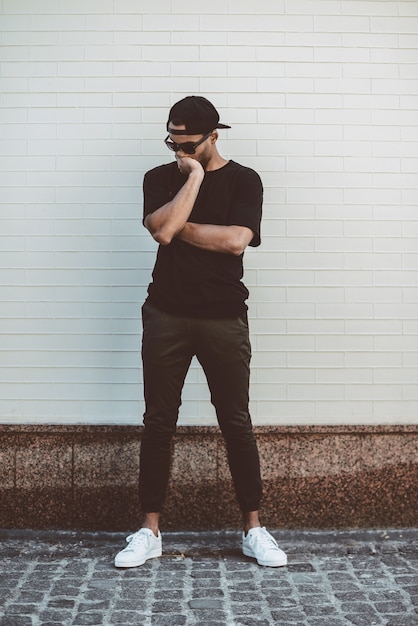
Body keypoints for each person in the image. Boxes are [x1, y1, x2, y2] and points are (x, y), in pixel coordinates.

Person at [114, 96, 287, 569]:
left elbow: (235, 241)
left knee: (236, 422)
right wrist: (192, 177)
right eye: (172, 140)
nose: (178, 150)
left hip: (224, 316)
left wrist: (177, 220)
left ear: (215, 136)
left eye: (189, 144)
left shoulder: (244, 179)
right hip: (166, 313)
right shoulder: (159, 177)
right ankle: (149, 531)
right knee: (158, 422)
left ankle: (254, 529)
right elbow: (161, 234)